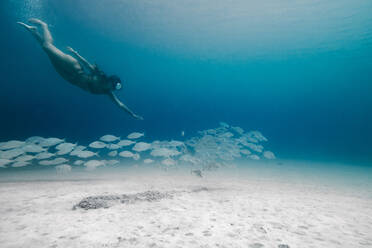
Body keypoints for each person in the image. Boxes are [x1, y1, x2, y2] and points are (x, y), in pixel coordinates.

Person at [17, 18, 143, 120]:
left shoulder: (107, 93)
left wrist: (132, 114)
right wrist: (75, 53)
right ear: (110, 81)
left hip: (69, 78)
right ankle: (43, 25)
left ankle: (33, 31)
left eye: (115, 88)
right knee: (47, 46)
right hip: (73, 67)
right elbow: (87, 65)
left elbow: (120, 105)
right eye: (114, 85)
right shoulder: (100, 75)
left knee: (47, 52)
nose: (113, 88)